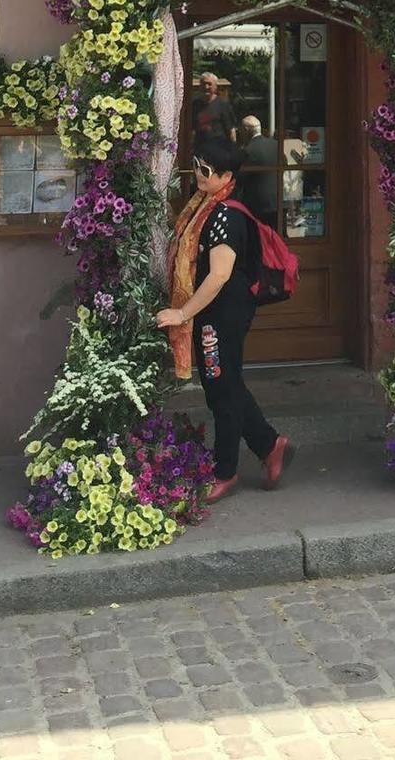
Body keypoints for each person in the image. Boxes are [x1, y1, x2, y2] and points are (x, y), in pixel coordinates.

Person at [157, 136, 292, 504]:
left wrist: (183, 313)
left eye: (206, 170)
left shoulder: (225, 216)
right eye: (197, 165)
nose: (198, 174)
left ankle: (226, 470)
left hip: (222, 312)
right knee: (223, 383)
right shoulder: (204, 205)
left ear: (226, 175)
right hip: (214, 311)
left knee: (222, 387)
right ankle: (269, 444)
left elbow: (218, 275)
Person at [193, 75, 238, 144]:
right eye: (204, 84)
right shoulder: (194, 105)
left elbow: (231, 130)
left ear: (215, 87)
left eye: (209, 84)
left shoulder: (223, 104)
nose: (206, 87)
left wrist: (233, 148)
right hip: (200, 148)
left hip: (219, 148)